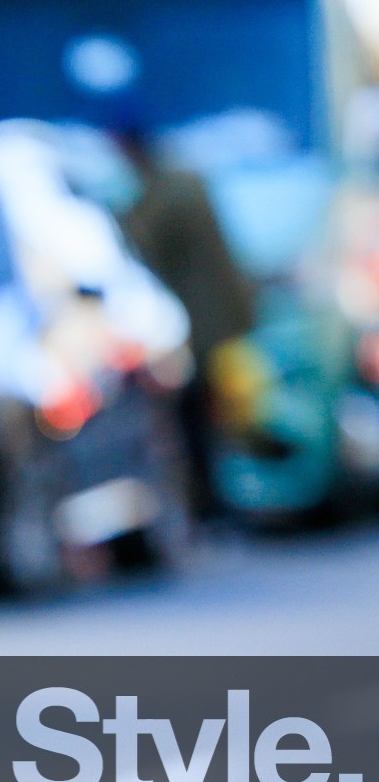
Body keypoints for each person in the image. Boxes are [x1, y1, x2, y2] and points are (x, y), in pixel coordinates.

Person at [116, 127, 254, 517]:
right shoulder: (185, 182)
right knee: (212, 414)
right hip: (219, 320)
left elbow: (143, 243)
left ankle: (210, 501)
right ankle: (218, 498)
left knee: (198, 417)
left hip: (199, 325)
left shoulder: (165, 195)